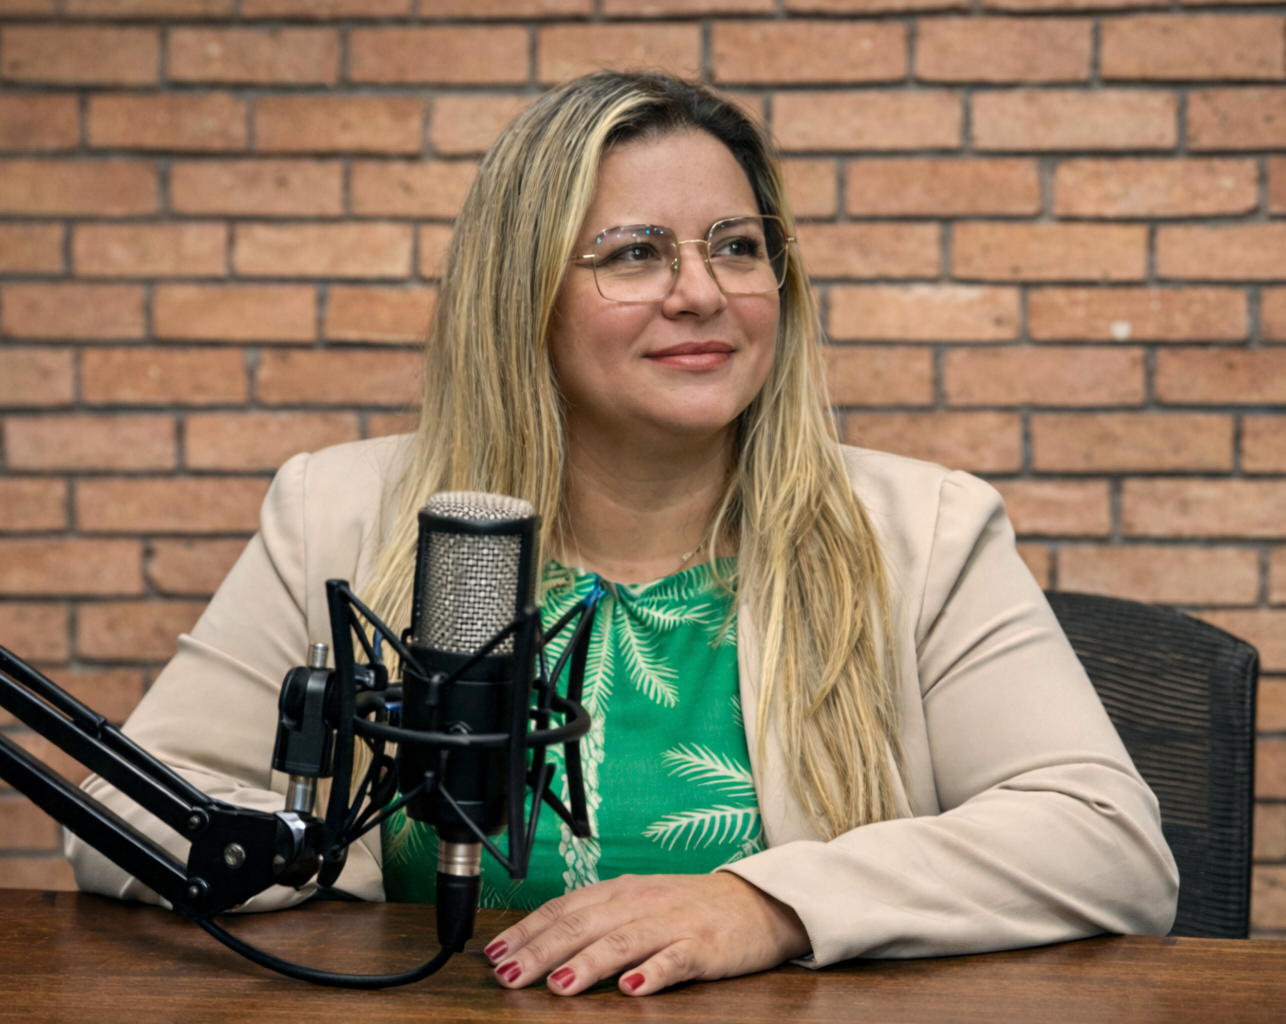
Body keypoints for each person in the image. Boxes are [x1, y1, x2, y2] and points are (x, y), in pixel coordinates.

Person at [67, 71, 1177, 997]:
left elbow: (1104, 840)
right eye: (636, 253)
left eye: (738, 247)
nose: (703, 292)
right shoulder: (344, 514)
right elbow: (123, 811)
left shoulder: (920, 532)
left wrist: (769, 904)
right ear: (524, 294)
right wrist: (328, 874)